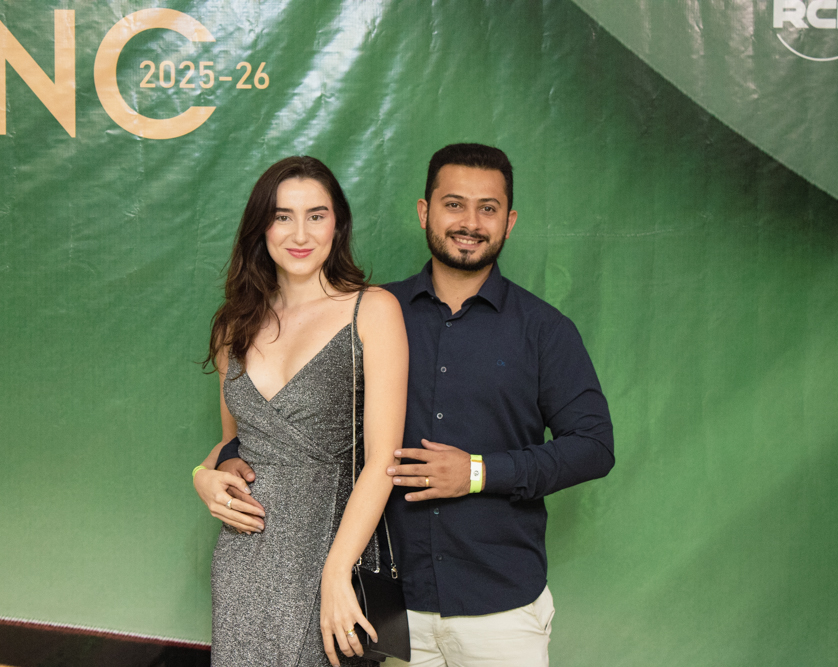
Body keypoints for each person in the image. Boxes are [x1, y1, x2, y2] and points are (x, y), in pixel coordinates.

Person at [213, 144, 615, 667]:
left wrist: (477, 472)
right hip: (387, 598)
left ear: (509, 221)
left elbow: (594, 447)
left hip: (498, 602)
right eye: (454, 204)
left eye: (488, 208)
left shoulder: (544, 330)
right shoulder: (370, 311)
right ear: (424, 212)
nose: (469, 223)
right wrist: (216, 466)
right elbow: (297, 425)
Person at [191, 156, 409, 667]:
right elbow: (235, 445)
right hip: (246, 553)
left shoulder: (373, 310)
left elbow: (383, 461)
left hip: (334, 548)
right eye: (282, 216)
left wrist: (337, 571)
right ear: (261, 227)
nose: (300, 233)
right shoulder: (233, 325)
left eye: (316, 215)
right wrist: (202, 475)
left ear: (338, 224)